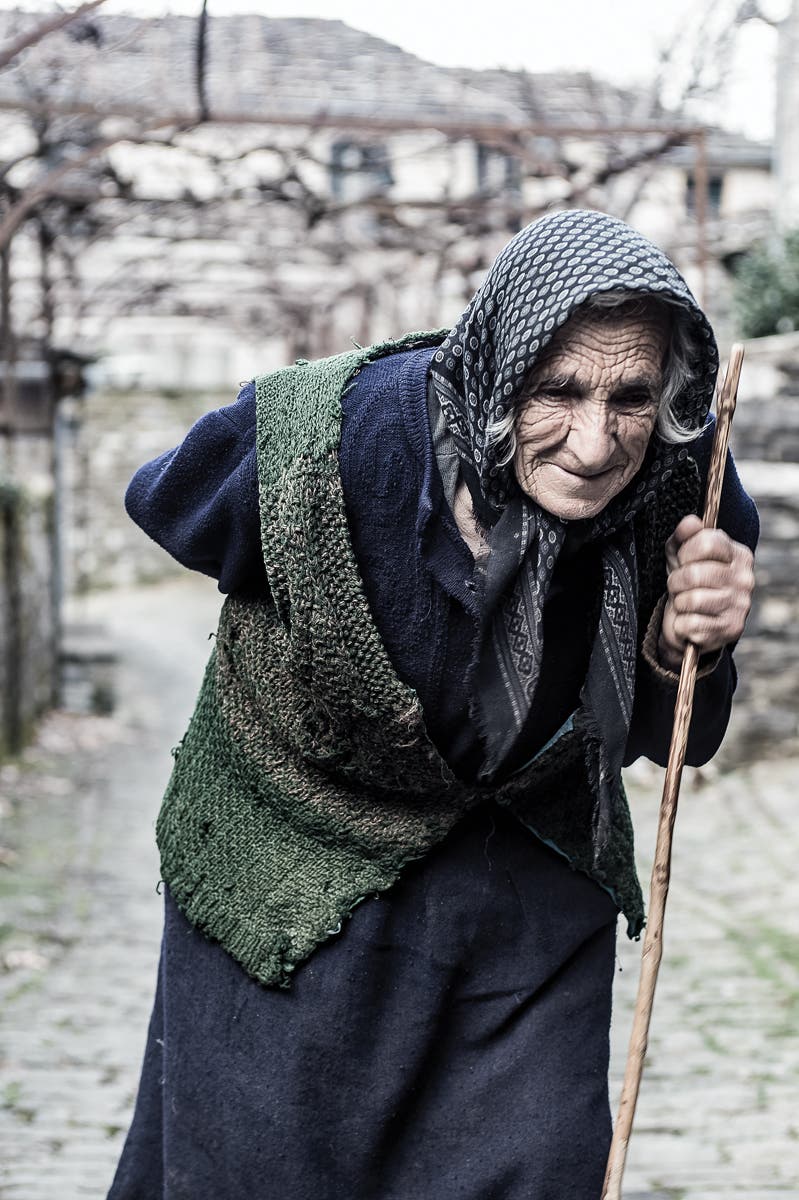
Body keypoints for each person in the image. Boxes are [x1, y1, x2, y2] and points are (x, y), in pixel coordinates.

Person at [108, 209, 757, 1200]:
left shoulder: (684, 475)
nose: (595, 441)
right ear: (499, 366)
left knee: (532, 1164)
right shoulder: (340, 434)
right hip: (299, 857)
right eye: (558, 390)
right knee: (264, 1171)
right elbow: (171, 503)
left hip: (523, 875)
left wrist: (681, 648)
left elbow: (677, 740)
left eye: (631, 395)